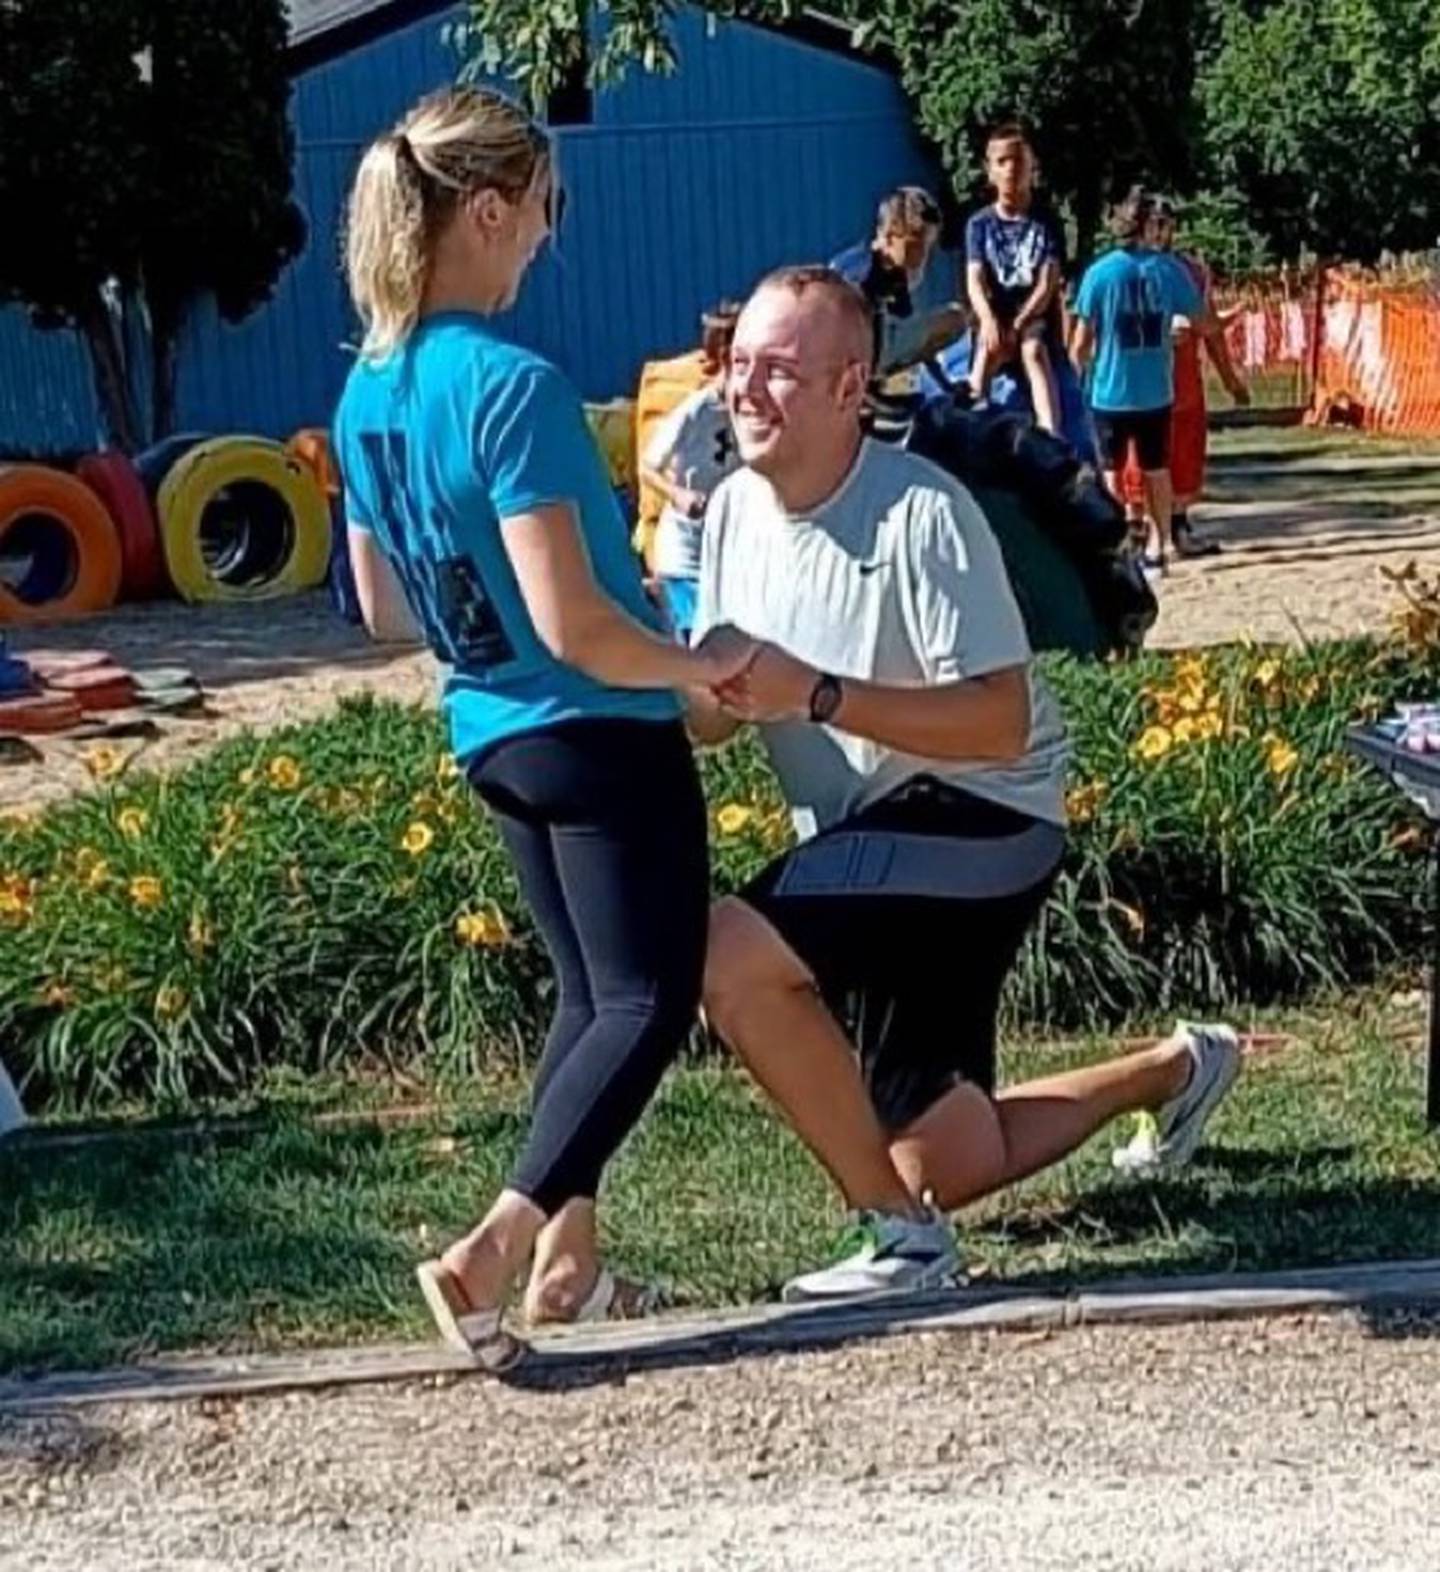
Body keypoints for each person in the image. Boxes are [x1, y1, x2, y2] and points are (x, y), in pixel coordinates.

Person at [687, 266, 1241, 1300]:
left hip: (989, 817)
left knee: (729, 955)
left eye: (779, 370)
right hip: (875, 834)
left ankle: (900, 1242)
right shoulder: (728, 515)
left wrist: (817, 696)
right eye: (738, 365)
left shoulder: (921, 513)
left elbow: (996, 723)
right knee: (945, 1161)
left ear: (853, 387)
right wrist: (651, 697)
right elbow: (722, 709)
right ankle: (1179, 1067)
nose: (745, 390)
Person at [332, 86, 754, 1368]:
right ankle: (491, 1249)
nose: (543, 245)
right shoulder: (512, 385)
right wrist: (702, 668)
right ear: (489, 209)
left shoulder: (367, 391)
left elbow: (380, 605)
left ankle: (565, 1258)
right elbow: (579, 623)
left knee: (591, 995)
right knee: (650, 996)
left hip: (492, 731)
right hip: (597, 724)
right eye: (541, 218)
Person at [1070, 188, 1206, 577]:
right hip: (1155, 390)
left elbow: (1081, 341)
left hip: (1110, 391)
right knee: (1156, 469)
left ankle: (1123, 545)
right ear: (1146, 225)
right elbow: (1200, 318)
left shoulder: (1099, 272)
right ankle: (1160, 546)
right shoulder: (1169, 270)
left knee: (1112, 472)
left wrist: (1074, 379)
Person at [1122, 198, 1249, 559]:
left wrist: (1230, 380)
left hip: (1184, 382)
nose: (1160, 231)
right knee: (1138, 455)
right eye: (1153, 223)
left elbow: (1210, 329)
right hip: (1141, 379)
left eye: (1166, 223)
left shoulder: (1192, 271)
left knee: (1183, 452)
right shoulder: (1127, 269)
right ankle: (1136, 527)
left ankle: (1178, 525)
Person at [638, 302, 741, 641]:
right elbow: (649, 466)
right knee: (699, 646)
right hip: (686, 556)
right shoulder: (697, 411)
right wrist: (679, 494)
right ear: (725, 359)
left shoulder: (755, 413)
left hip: (731, 556)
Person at [964, 125, 1064, 435]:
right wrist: (988, 320)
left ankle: (1051, 432)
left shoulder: (1046, 220)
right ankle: (970, 422)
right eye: (1003, 161)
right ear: (989, 170)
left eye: (1019, 161)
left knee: (1032, 350)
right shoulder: (978, 224)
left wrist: (1019, 325)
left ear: (1032, 167)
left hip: (1032, 316)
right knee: (985, 355)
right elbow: (974, 279)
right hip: (994, 315)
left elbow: (1047, 284)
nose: (1011, 170)